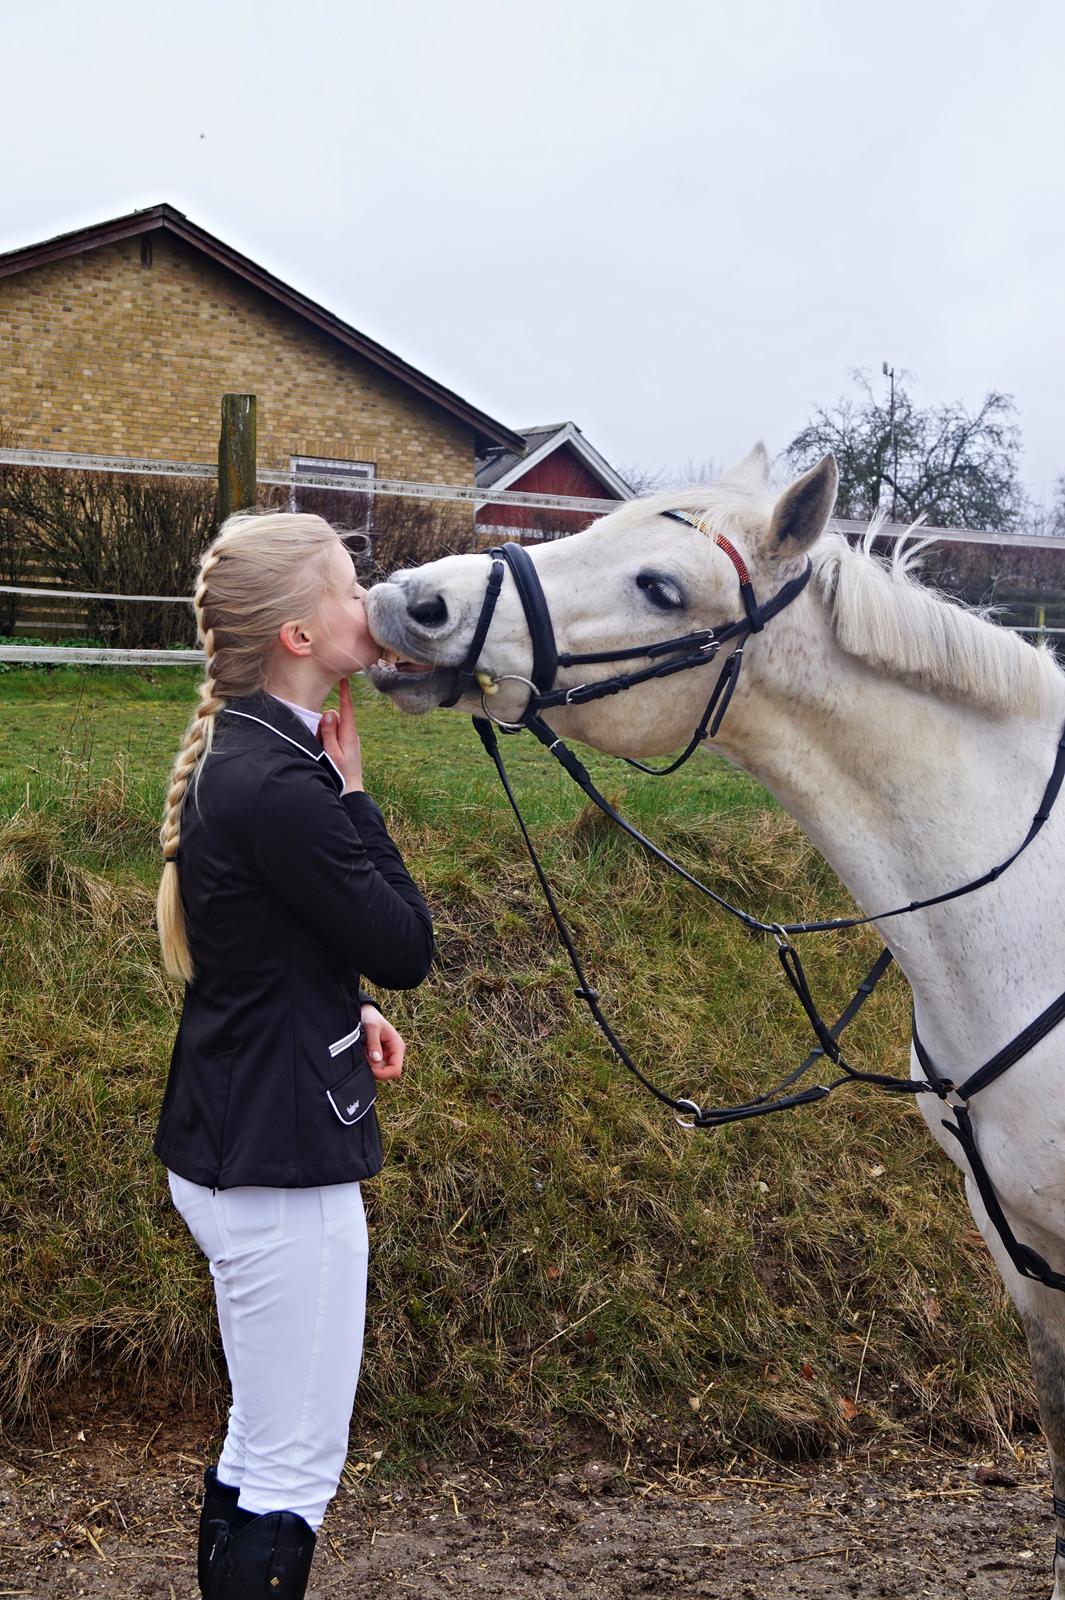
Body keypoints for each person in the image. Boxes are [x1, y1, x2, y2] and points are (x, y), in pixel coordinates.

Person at [153, 511, 433, 1598]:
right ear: (299, 637)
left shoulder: (253, 755)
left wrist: (336, 1000)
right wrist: (357, 792)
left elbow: (263, 936)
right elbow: (409, 945)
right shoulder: (288, 782)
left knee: (257, 1445)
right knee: (290, 1466)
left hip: (241, 1125)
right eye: (350, 587)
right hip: (275, 1163)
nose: (370, 603)